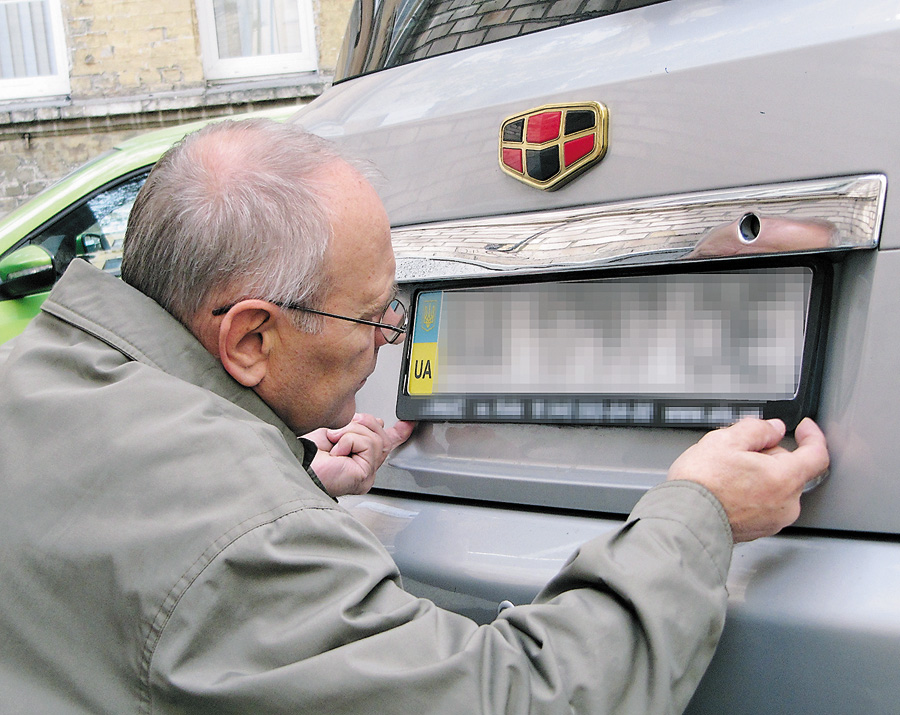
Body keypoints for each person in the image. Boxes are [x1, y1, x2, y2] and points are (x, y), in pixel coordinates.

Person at [0, 118, 829, 714]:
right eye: (373, 319)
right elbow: (513, 700)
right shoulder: (240, 535)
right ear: (250, 337)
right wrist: (702, 512)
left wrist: (293, 481)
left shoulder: (34, 379)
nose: (391, 339)